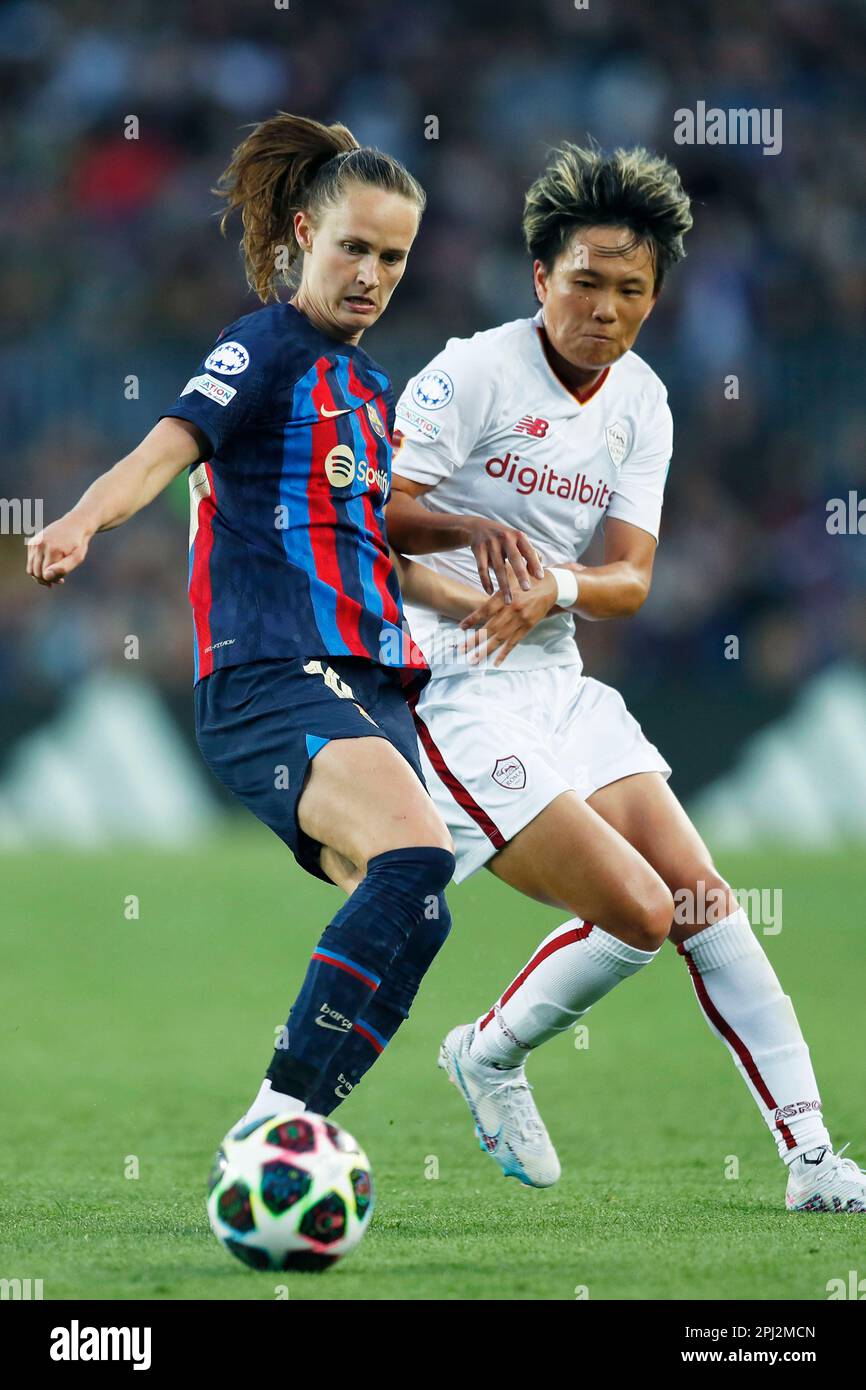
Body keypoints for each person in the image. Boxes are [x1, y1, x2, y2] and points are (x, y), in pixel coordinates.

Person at [328, 140, 861, 1214]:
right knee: (639, 912)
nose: (603, 308)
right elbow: (372, 515)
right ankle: (485, 1052)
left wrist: (551, 593)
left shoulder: (644, 404)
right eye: (583, 281)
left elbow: (627, 580)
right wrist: (477, 570)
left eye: (629, 289)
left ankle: (811, 1159)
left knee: (703, 900)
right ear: (539, 278)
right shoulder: (472, 371)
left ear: (654, 297)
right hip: (457, 686)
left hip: (560, 681)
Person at [24, 112, 488, 1136]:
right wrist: (81, 520)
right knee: (415, 861)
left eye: (393, 257)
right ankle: (275, 1115)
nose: (370, 272)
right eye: (352, 247)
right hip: (274, 671)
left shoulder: (367, 386)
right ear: (299, 242)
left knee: (419, 906)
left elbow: (364, 552)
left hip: (369, 685)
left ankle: (295, 1134)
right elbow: (167, 445)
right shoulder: (265, 345)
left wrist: (476, 597)